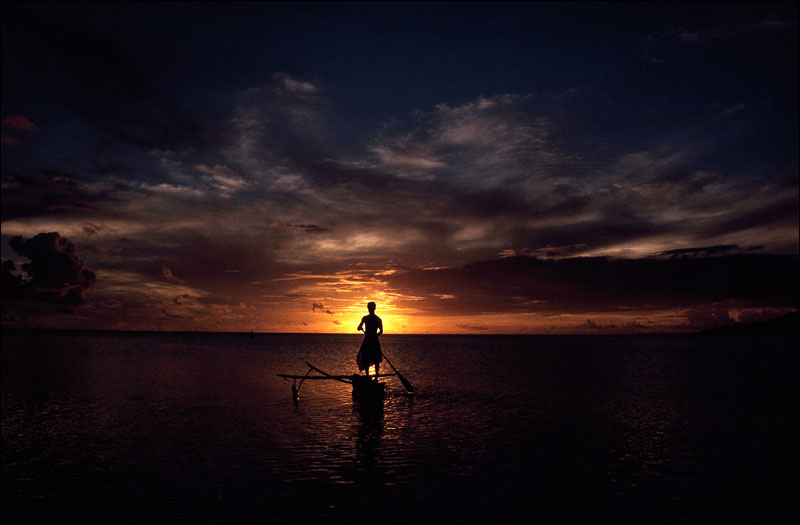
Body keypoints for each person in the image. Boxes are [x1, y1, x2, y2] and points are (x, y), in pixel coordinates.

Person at [357, 302, 383, 379]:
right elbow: (358, 327)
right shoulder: (367, 318)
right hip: (371, 340)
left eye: (371, 307)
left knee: (375, 359)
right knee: (367, 358)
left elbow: (381, 331)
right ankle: (371, 376)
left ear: (373, 308)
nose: (370, 309)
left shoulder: (376, 319)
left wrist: (374, 337)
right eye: (369, 307)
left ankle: (374, 376)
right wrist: (360, 328)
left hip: (371, 341)